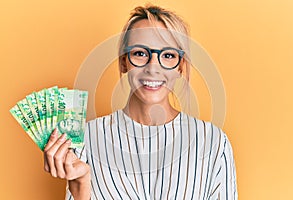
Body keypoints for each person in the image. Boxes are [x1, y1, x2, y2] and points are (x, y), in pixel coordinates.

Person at [43, 4, 237, 200]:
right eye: (140, 53)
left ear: (180, 66)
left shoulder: (213, 142)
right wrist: (81, 186)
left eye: (168, 55)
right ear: (123, 61)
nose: (153, 67)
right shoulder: (86, 140)